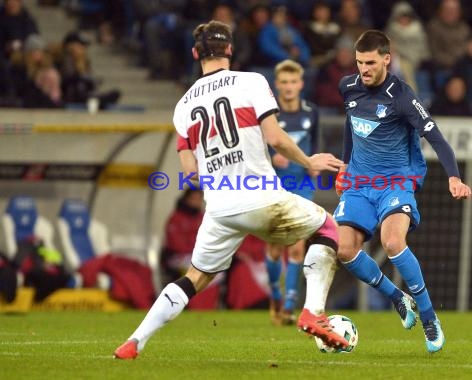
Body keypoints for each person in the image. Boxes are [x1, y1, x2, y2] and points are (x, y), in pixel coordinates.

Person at [114, 20, 347, 360]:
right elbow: (275, 138)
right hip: (260, 195)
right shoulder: (251, 82)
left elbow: (190, 171)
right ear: (230, 50)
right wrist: (309, 161)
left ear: (196, 54)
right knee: (327, 227)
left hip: (220, 209)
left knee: (195, 277)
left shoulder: (183, 107)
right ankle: (312, 311)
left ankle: (134, 342)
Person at [334, 30, 472, 353]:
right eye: (359, 63)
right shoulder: (348, 87)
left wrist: (454, 176)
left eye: (370, 63)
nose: (363, 69)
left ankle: (428, 317)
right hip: (358, 182)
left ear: (386, 59)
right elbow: (350, 124)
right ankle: (398, 299)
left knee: (393, 241)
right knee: (343, 249)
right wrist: (343, 166)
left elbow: (436, 137)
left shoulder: (403, 97)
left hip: (395, 182)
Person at [265, 59, 319, 326]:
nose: (288, 87)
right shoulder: (269, 116)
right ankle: (275, 292)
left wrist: (314, 165)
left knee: (298, 246)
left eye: (293, 82)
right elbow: (257, 150)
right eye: (283, 82)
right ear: (277, 85)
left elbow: (315, 143)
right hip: (273, 187)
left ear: (300, 84)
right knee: (274, 248)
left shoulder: (311, 112)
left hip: (302, 187)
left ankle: (288, 306)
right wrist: (271, 159)